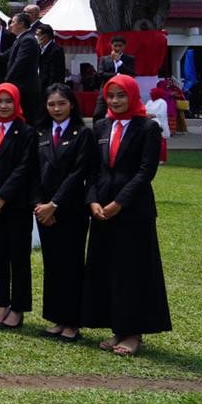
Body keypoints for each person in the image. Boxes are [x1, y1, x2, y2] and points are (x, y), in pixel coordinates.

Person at [83, 74, 172, 356]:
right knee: (108, 270)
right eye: (111, 96)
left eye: (121, 95)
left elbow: (146, 172)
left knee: (133, 271)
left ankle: (133, 332)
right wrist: (94, 201)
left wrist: (119, 203)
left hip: (134, 211)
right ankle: (117, 327)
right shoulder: (100, 126)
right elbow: (94, 170)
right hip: (102, 211)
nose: (116, 101)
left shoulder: (147, 128)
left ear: (132, 96)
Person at [34, 83, 95, 342]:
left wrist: (54, 204)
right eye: (51, 104)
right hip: (44, 211)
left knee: (71, 265)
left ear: (72, 104)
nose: (56, 109)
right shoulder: (41, 133)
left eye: (61, 103)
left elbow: (78, 173)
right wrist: (40, 205)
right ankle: (57, 318)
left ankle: (72, 321)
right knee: (53, 265)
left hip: (69, 210)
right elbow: (33, 172)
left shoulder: (83, 134)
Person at [0, 83, 37, 330]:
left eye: (8, 101)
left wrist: (2, 196)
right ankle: (2, 303)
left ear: (16, 103)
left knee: (18, 257)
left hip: (16, 205)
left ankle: (18, 307)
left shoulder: (26, 133)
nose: (3, 106)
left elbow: (24, 168)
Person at [4, 13, 43, 124]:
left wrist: (7, 81)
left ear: (21, 24)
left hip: (26, 89)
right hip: (21, 88)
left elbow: (19, 63)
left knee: (28, 120)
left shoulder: (28, 40)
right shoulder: (20, 39)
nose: (10, 25)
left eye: (13, 22)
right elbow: (4, 56)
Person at [145, 88, 171, 164]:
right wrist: (146, 114)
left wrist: (153, 115)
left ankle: (161, 158)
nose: (150, 94)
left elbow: (162, 113)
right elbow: (145, 109)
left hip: (159, 123)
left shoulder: (162, 102)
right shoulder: (149, 102)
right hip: (149, 123)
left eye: (152, 92)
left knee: (161, 142)